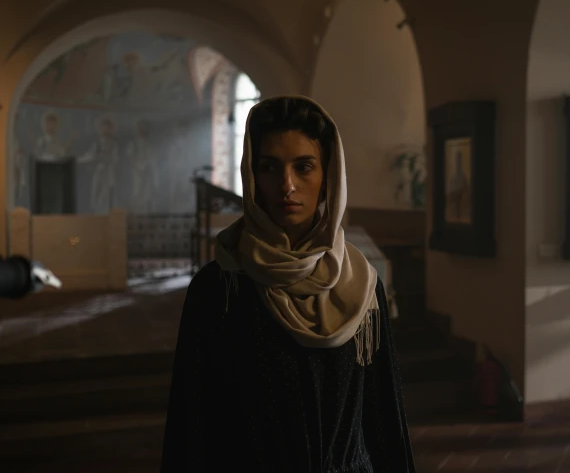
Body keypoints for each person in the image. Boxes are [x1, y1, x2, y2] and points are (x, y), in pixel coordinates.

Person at [161, 96, 415, 472]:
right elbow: (192, 425)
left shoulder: (362, 288)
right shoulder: (219, 288)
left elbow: (383, 418)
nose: (287, 185)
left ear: (328, 177)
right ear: (252, 177)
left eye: (304, 167)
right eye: (269, 167)